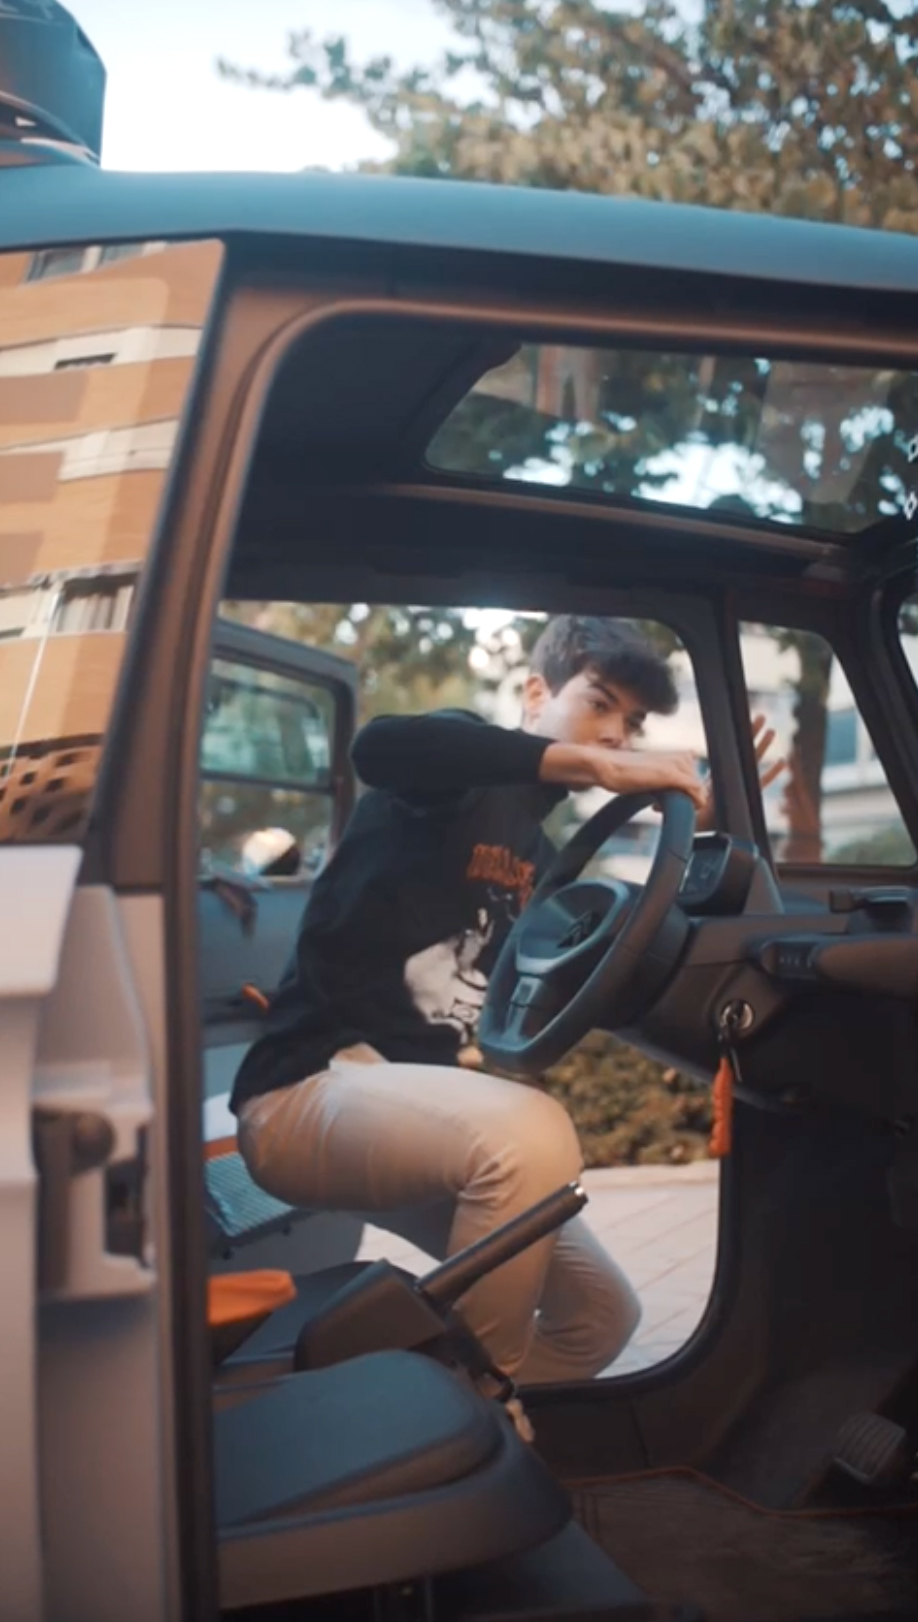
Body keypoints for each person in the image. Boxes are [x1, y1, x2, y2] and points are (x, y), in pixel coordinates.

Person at [231, 616, 773, 1384]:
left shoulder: (544, 861)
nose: (616, 735)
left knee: (599, 1318)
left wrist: (702, 836)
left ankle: (392, 1404)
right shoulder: (451, 775)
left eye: (631, 725)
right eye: (599, 704)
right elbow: (379, 746)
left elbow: (613, 958)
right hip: (306, 1090)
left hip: (409, 1113)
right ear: (535, 693)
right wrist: (599, 764)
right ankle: (478, 1404)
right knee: (531, 1133)